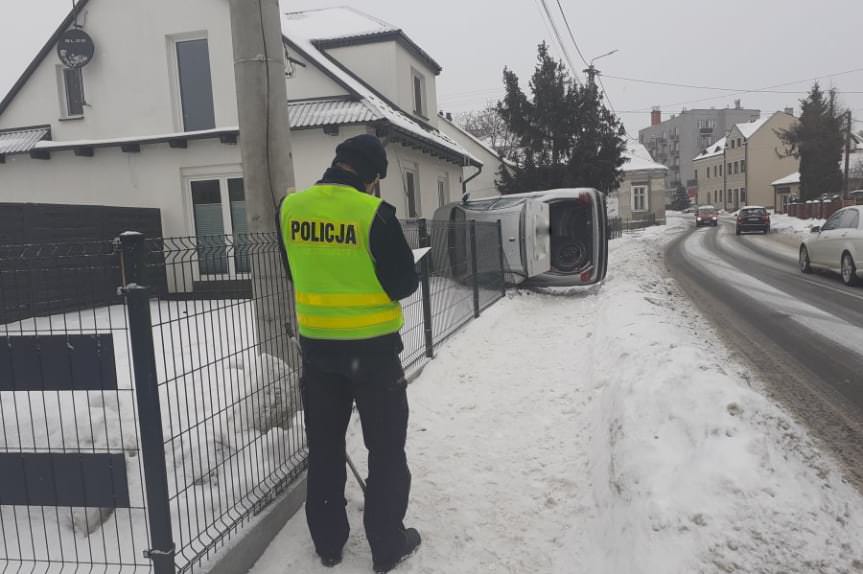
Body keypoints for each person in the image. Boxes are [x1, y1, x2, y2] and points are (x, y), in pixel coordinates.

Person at [277, 134, 421, 573]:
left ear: (338, 162)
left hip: (319, 355)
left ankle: (329, 543)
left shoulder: (290, 209)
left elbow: (294, 271)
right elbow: (403, 284)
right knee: (386, 450)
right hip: (374, 355)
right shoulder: (373, 214)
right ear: (374, 177)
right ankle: (386, 545)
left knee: (324, 448)